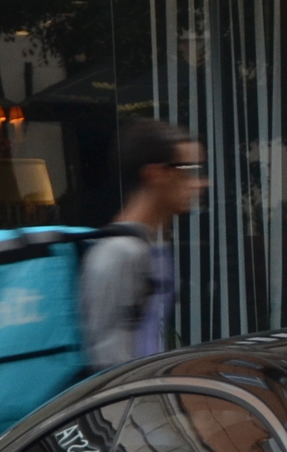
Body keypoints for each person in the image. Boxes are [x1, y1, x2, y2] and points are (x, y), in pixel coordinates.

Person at [81, 119, 207, 371]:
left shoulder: (151, 246)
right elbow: (107, 361)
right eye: (189, 169)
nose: (201, 183)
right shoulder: (118, 253)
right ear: (155, 174)